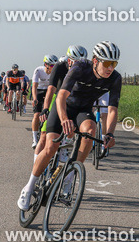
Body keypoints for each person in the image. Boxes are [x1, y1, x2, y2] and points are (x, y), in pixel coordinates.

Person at [18, 41, 121, 210]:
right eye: (107, 63)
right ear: (95, 61)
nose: (111, 68)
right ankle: (28, 188)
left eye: (114, 64)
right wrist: (64, 118)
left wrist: (109, 134)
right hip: (64, 106)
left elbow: (112, 110)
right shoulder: (80, 67)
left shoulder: (115, 78)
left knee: (90, 130)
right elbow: (60, 97)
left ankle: (70, 175)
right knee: (51, 147)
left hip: (83, 110)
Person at [34, 45, 87, 161]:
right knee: (44, 136)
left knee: (71, 128)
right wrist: (45, 108)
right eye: (76, 62)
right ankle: (36, 163)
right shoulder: (60, 66)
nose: (80, 66)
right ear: (69, 61)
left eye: (82, 62)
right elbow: (51, 89)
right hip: (56, 97)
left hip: (72, 100)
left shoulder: (84, 69)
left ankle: (64, 148)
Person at [31, 54, 59, 148]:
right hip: (39, 90)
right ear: (45, 64)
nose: (53, 68)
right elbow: (34, 86)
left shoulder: (55, 72)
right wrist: (35, 98)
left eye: (54, 66)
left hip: (49, 91)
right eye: (51, 65)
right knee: (36, 115)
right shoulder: (38, 70)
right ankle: (35, 139)